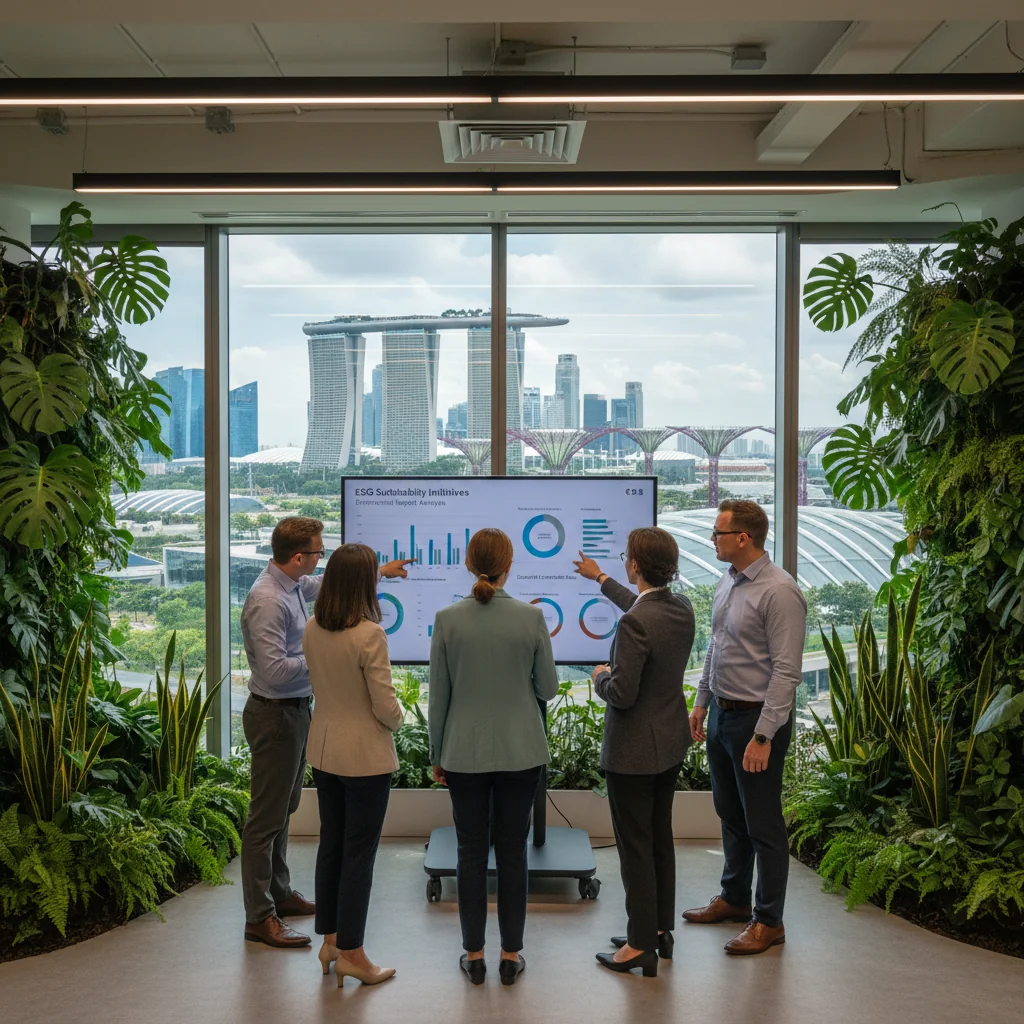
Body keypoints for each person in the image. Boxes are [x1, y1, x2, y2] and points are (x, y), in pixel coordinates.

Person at [239, 515, 413, 948]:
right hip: (274, 714)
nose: (321, 562)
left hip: (297, 714)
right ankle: (260, 916)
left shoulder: (294, 585)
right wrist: (329, 659)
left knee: (284, 809)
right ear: (299, 557)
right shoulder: (267, 600)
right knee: (265, 819)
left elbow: (334, 585)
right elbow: (276, 671)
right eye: (318, 553)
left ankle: (279, 892)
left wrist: (379, 573)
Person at [428, 528, 559, 986]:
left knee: (469, 853)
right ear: (510, 564)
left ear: (468, 562)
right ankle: (510, 956)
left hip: (462, 752)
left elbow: (438, 698)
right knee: (513, 854)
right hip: (520, 752)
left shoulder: (446, 620)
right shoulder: (531, 617)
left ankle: (475, 956)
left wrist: (436, 752)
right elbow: (549, 688)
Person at [684, 500, 806, 956]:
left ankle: (768, 921)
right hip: (722, 715)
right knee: (730, 814)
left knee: (763, 824)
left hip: (756, 720)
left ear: (743, 538)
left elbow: (787, 671)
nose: (711, 540)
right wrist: (701, 702)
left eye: (718, 533)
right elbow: (717, 646)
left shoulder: (779, 591)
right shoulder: (728, 581)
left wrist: (763, 735)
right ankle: (735, 899)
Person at [573, 528, 695, 979]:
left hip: (632, 753)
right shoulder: (679, 608)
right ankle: (660, 931)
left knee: (635, 850)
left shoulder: (635, 623)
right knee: (659, 840)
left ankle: (639, 945)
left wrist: (601, 675)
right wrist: (600, 578)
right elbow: (641, 607)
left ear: (635, 565)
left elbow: (621, 694)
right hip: (668, 745)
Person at [303, 543, 402, 987]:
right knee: (359, 857)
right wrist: (400, 720)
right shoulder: (369, 634)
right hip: (364, 757)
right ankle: (354, 955)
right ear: (364, 584)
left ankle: (330, 941)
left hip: (324, 750)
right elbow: (385, 706)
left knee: (332, 847)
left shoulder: (312, 628)